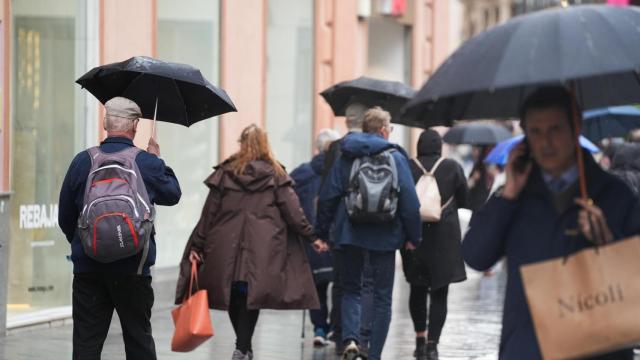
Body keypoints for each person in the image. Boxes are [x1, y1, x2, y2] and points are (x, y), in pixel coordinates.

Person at [462, 86, 640, 359]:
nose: (546, 142)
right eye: (535, 131)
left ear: (575, 127)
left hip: (597, 348)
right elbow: (476, 256)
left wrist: (608, 241)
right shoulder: (514, 195)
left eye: (555, 130)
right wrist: (508, 194)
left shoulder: (615, 195)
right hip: (529, 347)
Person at [175, 124, 326, 360]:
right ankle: (243, 346)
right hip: (264, 248)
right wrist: (312, 237)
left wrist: (197, 245)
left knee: (236, 294)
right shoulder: (276, 175)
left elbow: (208, 214)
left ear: (242, 144)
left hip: (226, 245)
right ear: (265, 144)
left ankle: (242, 346)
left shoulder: (225, 174)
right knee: (248, 295)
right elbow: (294, 213)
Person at [58, 97, 182, 360]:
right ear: (135, 125)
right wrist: (158, 160)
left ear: (106, 124)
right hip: (133, 269)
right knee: (139, 342)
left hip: (88, 270)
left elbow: (65, 216)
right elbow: (173, 194)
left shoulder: (82, 161)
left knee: (86, 346)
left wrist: (86, 243)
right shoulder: (145, 162)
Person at [316, 107, 421, 360]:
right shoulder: (396, 157)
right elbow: (410, 202)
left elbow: (329, 195)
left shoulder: (346, 154)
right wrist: (413, 237)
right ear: (384, 130)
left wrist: (321, 232)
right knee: (382, 298)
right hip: (386, 234)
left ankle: (351, 339)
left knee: (351, 289)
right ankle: (372, 354)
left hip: (349, 232)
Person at [401, 129, 470, 360]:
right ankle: (433, 345)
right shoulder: (452, 167)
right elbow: (466, 201)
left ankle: (419, 339)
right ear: (439, 146)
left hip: (414, 236)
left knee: (416, 289)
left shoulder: (407, 165)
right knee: (440, 292)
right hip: (444, 238)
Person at [321, 100, 376, 356]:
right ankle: (364, 336)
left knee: (346, 284)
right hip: (376, 226)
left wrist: (321, 229)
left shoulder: (335, 148)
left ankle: (347, 335)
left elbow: (328, 191)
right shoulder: (378, 148)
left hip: (343, 226)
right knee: (368, 285)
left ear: (347, 121)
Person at [289, 128, 340, 346]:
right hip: (336, 238)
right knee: (342, 286)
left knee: (316, 287)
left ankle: (319, 328)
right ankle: (337, 329)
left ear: (317, 149)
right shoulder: (341, 172)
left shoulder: (301, 174)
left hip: (310, 239)